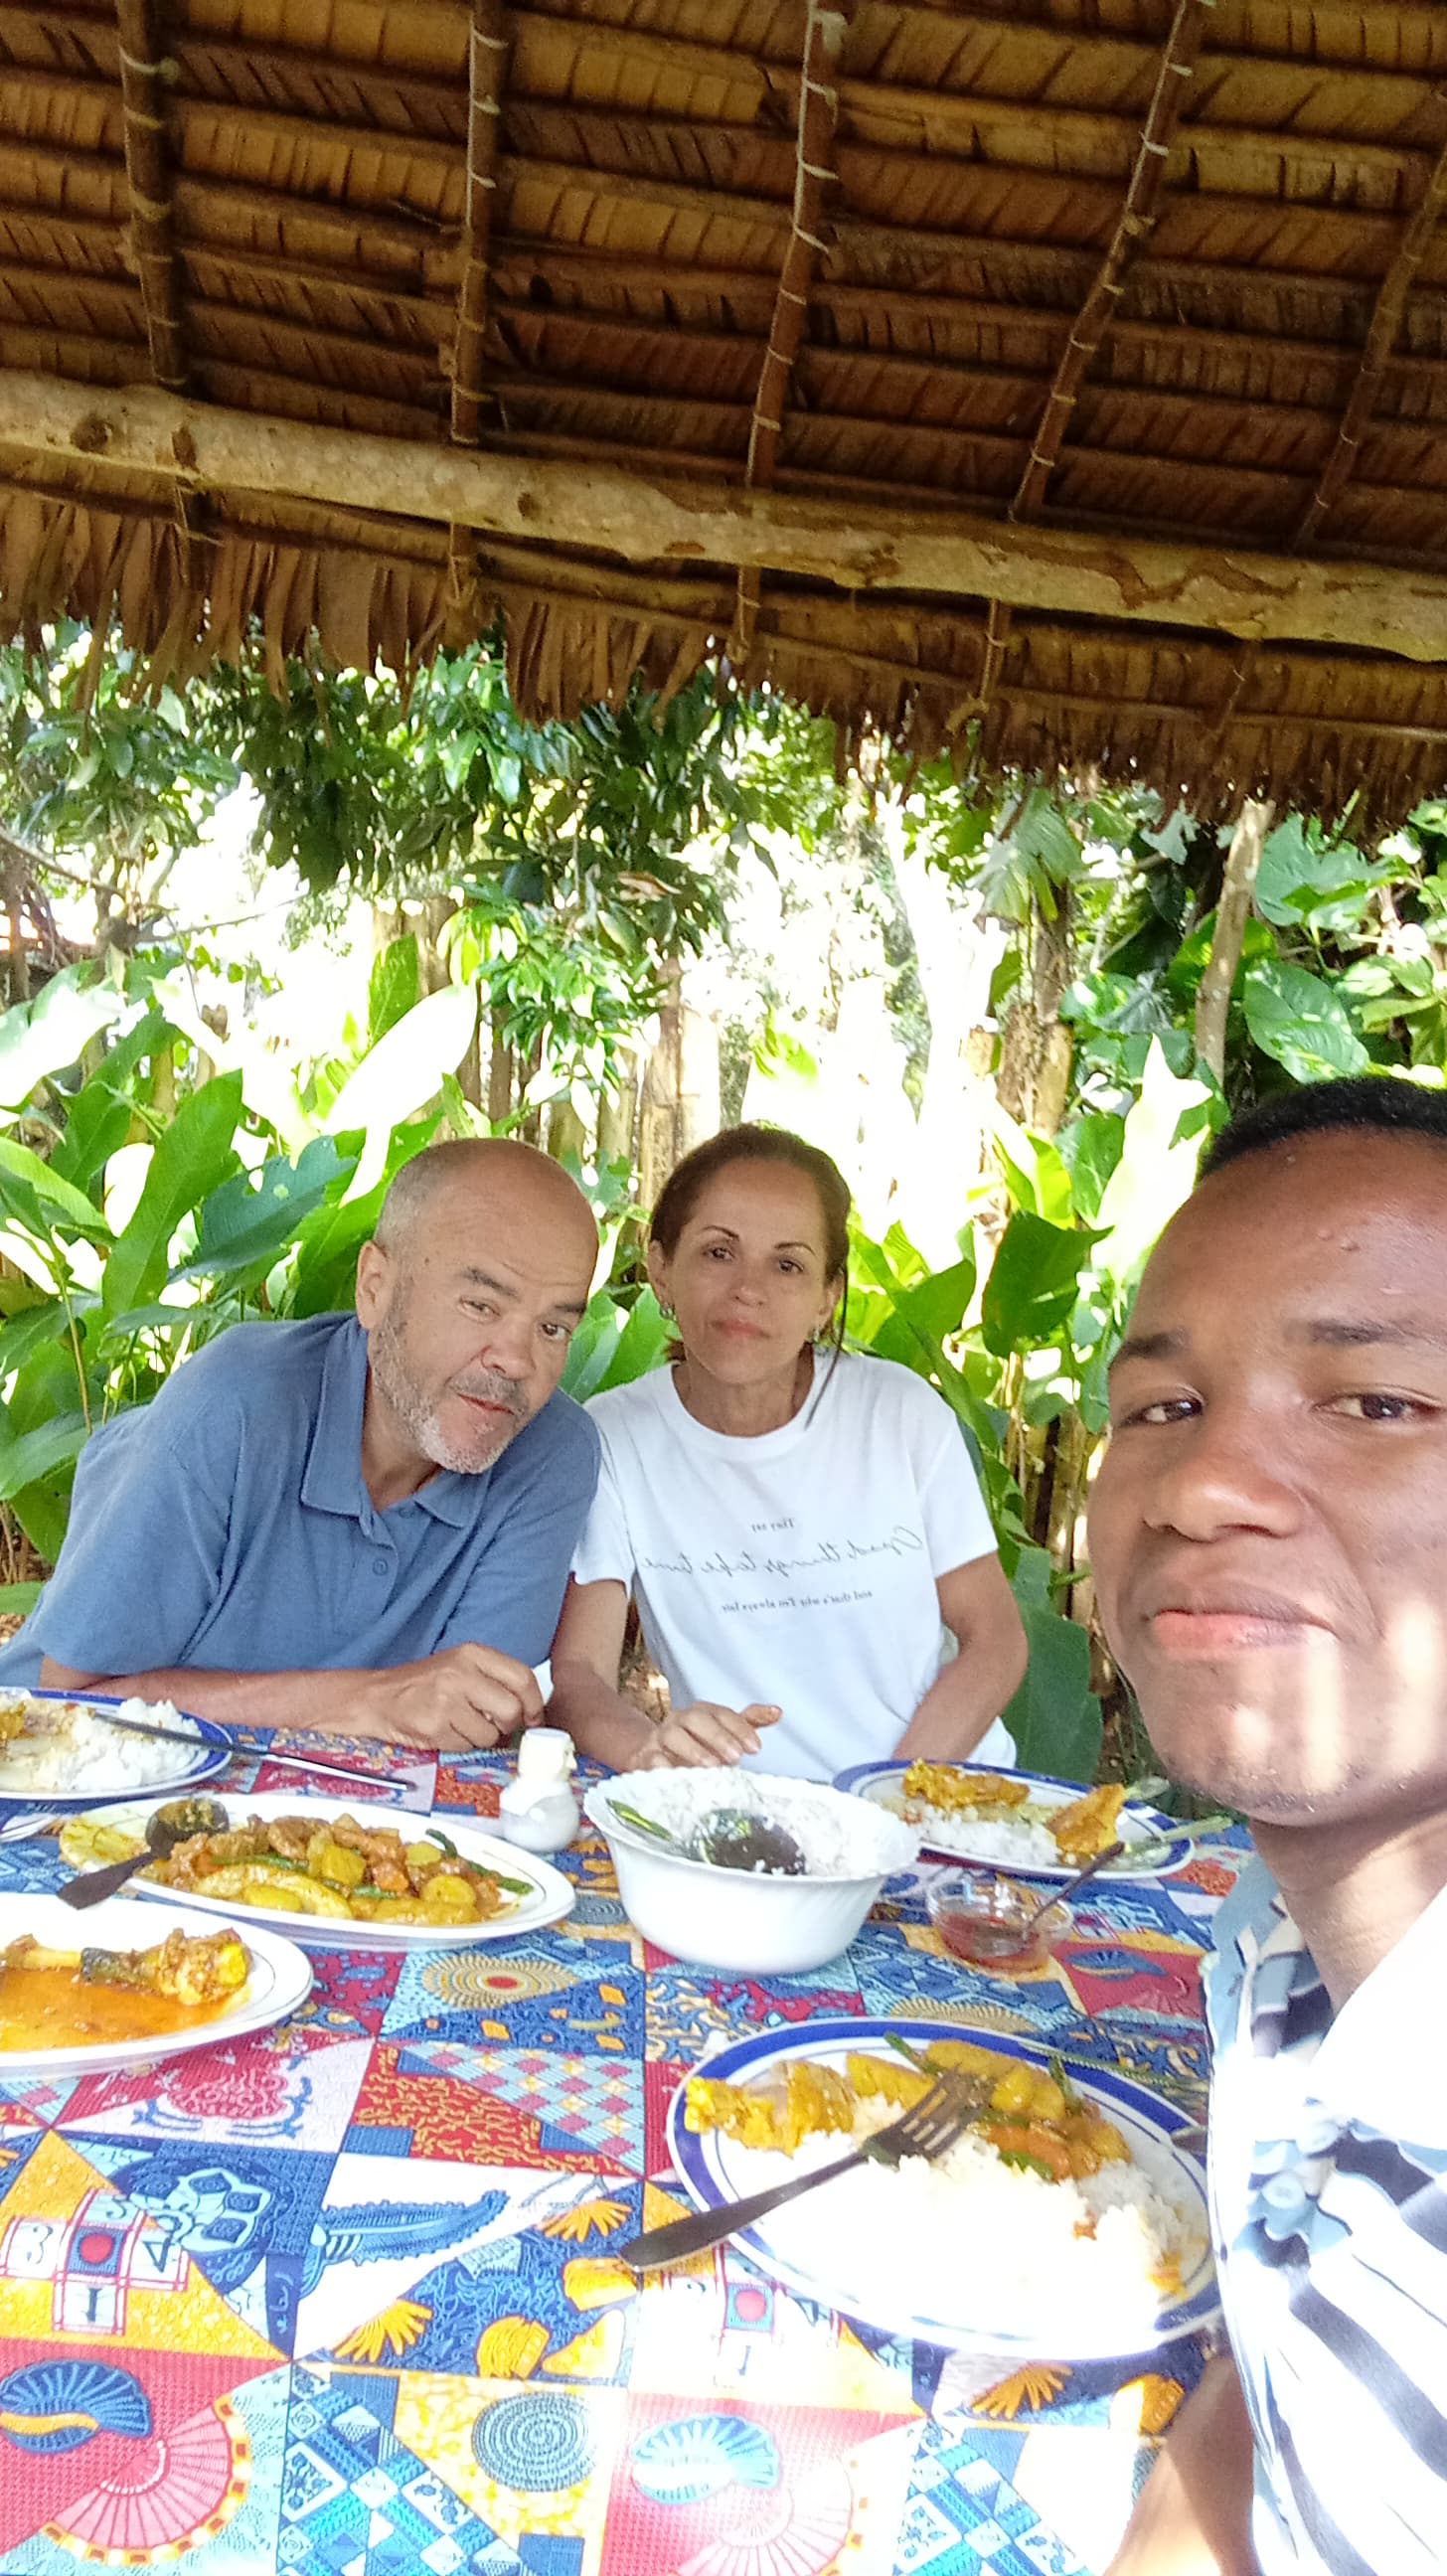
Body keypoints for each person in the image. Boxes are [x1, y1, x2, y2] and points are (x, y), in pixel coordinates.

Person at [1087, 1076, 1447, 2576]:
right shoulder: (1273, 1941)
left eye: (1378, 1405)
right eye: (1164, 1408)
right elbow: (1275, 2334)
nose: (1206, 1483)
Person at [0, 1138, 601, 1753]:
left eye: (553, 1327)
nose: (516, 1361)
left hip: (342, 1818)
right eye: (480, 1304)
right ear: (374, 1288)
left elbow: (470, 1725)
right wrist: (367, 1701)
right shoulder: (232, 1408)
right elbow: (70, 1703)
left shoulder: (550, 1454)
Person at [548, 1123, 1027, 1779]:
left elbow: (995, 1642)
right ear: (660, 1267)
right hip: (750, 1825)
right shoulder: (613, 1440)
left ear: (827, 1299)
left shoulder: (899, 1414)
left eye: (788, 1264)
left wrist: (890, 1797)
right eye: (719, 1252)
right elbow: (580, 1675)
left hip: (938, 1796)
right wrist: (649, 1750)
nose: (749, 1288)